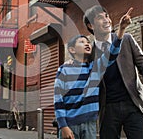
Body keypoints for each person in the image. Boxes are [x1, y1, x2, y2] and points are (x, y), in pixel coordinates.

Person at [54, 8, 133, 139]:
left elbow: (111, 54)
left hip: (90, 123)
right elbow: (58, 99)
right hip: (70, 125)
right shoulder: (64, 70)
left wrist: (121, 30)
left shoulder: (94, 68)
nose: (87, 44)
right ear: (72, 49)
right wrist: (63, 126)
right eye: (81, 42)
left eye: (87, 42)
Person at [83, 5, 143, 139]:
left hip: (134, 104)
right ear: (91, 26)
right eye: (100, 18)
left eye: (106, 16)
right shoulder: (89, 53)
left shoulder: (127, 40)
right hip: (107, 109)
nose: (106, 20)